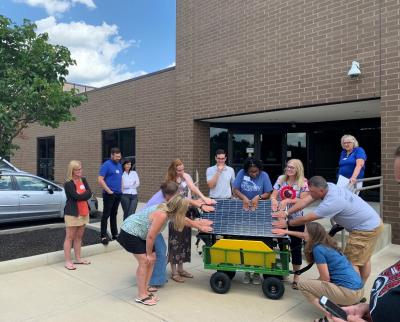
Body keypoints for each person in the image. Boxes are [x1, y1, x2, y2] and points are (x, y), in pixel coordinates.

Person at [330, 146, 400, 322]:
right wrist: (373, 309)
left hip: (363, 230)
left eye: (348, 141)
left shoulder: (359, 153)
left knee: (352, 261)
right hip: (369, 227)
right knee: (364, 258)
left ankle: (352, 293)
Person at [273, 176, 383, 283]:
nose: (310, 194)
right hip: (373, 223)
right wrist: (286, 212)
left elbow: (309, 217)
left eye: (312, 192)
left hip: (365, 229)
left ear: (321, 190)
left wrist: (287, 223)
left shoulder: (332, 201)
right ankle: (359, 290)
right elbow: (305, 201)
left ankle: (352, 293)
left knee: (351, 263)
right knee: (363, 259)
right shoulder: (328, 186)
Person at [273, 222, 364, 322]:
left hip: (349, 294)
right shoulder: (329, 245)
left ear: (313, 235)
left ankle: (331, 314)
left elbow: (325, 278)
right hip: (359, 291)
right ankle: (345, 305)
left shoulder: (318, 249)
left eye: (305, 232)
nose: (303, 234)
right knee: (315, 284)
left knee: (303, 285)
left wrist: (313, 284)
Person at [117, 194, 189, 306]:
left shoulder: (168, 209)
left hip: (140, 233)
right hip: (129, 232)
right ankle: (141, 296)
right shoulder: (162, 214)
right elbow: (151, 236)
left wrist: (199, 225)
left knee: (152, 259)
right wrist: (149, 254)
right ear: (179, 209)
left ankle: (145, 290)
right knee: (145, 261)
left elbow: (183, 220)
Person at [146, 181, 214, 290]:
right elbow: (178, 219)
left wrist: (200, 218)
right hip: (148, 227)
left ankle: (158, 279)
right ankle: (153, 282)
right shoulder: (161, 204)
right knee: (158, 254)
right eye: (177, 193)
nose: (179, 194)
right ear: (169, 195)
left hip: (153, 226)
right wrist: (149, 253)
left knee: (161, 251)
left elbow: (183, 208)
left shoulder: (170, 198)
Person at [166, 159, 215, 283]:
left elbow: (193, 188)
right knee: (175, 241)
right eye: (179, 170)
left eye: (183, 169)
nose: (181, 172)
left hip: (187, 210)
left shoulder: (186, 176)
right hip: (176, 212)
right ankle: (174, 272)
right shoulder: (170, 181)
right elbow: (179, 198)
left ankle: (181, 269)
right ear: (173, 169)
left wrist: (203, 198)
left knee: (185, 240)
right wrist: (199, 204)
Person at [232, 157, 273, 284]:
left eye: (256, 172)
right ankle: (247, 271)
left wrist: (258, 197)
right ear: (246, 170)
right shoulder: (241, 173)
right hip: (244, 210)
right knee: (245, 240)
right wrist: (244, 197)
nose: (254, 174)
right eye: (251, 172)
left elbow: (269, 192)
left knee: (258, 240)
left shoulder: (264, 175)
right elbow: (235, 189)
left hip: (259, 211)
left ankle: (256, 272)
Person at [270, 159, 309, 289]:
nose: (289, 169)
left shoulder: (303, 182)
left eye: (292, 167)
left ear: (298, 169)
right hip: (280, 217)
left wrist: (287, 200)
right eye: (287, 167)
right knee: (281, 245)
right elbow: (273, 195)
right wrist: (274, 200)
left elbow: (303, 200)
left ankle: (296, 276)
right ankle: (284, 271)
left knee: (296, 247)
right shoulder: (281, 179)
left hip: (296, 218)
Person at [63, 160, 93, 270]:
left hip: (84, 211)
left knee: (79, 237)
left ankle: (78, 258)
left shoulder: (83, 180)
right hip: (72, 213)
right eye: (78, 169)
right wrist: (85, 195)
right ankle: (68, 261)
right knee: (70, 237)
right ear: (72, 171)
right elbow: (77, 197)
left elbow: (90, 193)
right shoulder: (68, 183)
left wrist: (84, 195)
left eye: (81, 168)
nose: (80, 171)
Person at [98, 147, 123, 245]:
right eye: (116, 157)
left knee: (114, 214)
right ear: (112, 155)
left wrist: (121, 190)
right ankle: (103, 236)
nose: (118, 158)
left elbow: (120, 178)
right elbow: (100, 179)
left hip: (118, 194)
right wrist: (109, 191)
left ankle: (115, 234)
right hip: (109, 194)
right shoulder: (106, 165)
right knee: (106, 215)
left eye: (119, 157)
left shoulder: (119, 165)